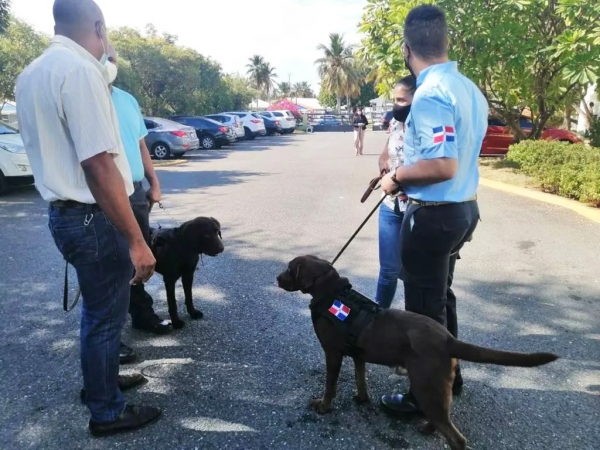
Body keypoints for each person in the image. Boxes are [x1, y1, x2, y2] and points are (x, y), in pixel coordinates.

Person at [16, 0, 162, 436]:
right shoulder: (80, 72)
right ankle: (107, 411)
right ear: (98, 26)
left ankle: (103, 384)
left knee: (99, 315)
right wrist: (137, 240)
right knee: (105, 319)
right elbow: (98, 165)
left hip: (65, 215)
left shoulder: (32, 73)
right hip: (92, 218)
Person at [379, 5, 488, 414]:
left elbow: (442, 166)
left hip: (435, 215)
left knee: (422, 316)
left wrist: (397, 176)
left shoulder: (430, 94)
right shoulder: (468, 88)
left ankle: (423, 399)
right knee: (440, 298)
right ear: (446, 42)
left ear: (407, 49)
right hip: (462, 211)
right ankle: (451, 377)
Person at [106, 45, 172, 338]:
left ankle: (142, 315)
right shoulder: (85, 99)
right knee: (109, 265)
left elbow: (142, 145)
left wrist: (154, 183)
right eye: (102, 58)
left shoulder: (127, 100)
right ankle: (109, 338)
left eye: (110, 59)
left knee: (140, 257)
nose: (107, 64)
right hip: (102, 195)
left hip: (135, 192)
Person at [376, 75, 416, 309]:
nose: (396, 106)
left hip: (418, 207)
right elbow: (385, 153)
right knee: (388, 270)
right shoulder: (394, 122)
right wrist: (383, 167)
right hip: (390, 205)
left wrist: (400, 177)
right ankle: (377, 318)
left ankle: (414, 323)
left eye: (402, 100)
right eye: (395, 100)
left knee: (414, 274)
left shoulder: (425, 124)